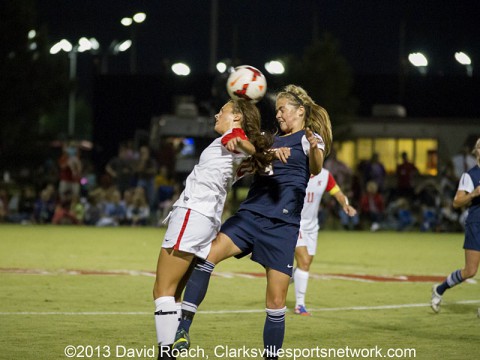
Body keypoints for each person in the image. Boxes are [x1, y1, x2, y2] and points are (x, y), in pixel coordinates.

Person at [173, 85, 332, 360]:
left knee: (276, 301)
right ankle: (182, 331)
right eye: (277, 109)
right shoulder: (269, 140)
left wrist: (316, 147)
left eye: (283, 109)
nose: (279, 114)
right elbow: (248, 147)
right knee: (206, 257)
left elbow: (316, 167)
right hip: (250, 216)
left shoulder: (308, 138)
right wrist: (263, 150)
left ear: (300, 111)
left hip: (282, 226)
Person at [152, 99, 276, 360]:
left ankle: (165, 354)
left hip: (193, 214)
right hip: (205, 219)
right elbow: (254, 153)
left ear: (238, 117)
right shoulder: (235, 143)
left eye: (224, 110)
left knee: (162, 290)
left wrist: (241, 143)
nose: (217, 113)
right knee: (173, 292)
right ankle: (169, 349)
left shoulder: (234, 136)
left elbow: (246, 143)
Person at [293, 168, 357, 316]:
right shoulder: (296, 170)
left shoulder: (325, 175)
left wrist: (345, 204)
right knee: (304, 261)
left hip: (312, 227)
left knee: (306, 264)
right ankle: (300, 305)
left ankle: (285, 276)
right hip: (294, 223)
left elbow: (338, 194)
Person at [431, 137, 480, 313]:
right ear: (477, 152)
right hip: (476, 225)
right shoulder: (470, 175)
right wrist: (473, 194)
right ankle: (440, 289)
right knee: (470, 271)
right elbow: (457, 202)